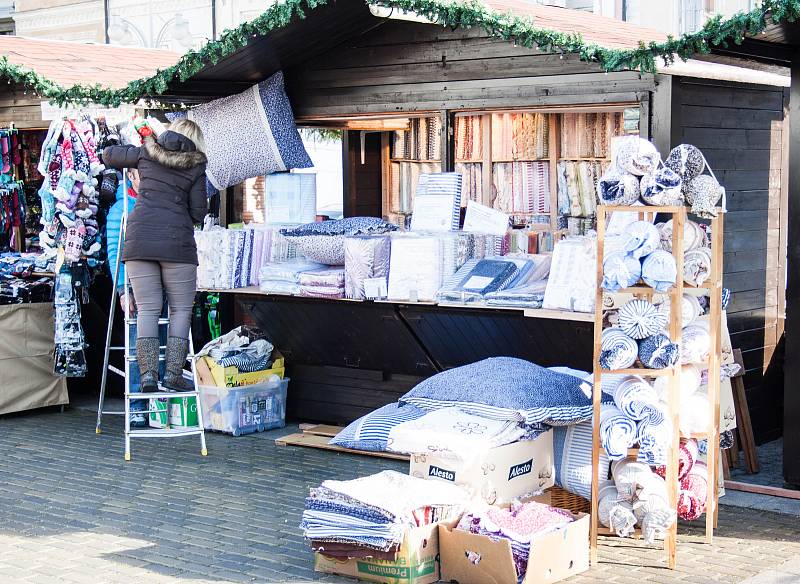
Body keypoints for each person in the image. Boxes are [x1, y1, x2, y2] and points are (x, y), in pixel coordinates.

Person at [102, 119, 207, 392]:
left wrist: (133, 155)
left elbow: (110, 155)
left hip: (139, 242)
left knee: (148, 309)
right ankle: (172, 374)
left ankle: (148, 375)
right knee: (181, 310)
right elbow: (198, 211)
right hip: (177, 244)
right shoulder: (195, 165)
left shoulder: (147, 152)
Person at [105, 168, 165, 426]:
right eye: (144, 175)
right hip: (135, 286)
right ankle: (138, 406)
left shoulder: (159, 204)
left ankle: (159, 406)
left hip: (162, 284)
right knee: (137, 348)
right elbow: (114, 252)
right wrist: (121, 290)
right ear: (131, 176)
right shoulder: (121, 210)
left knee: (161, 346)